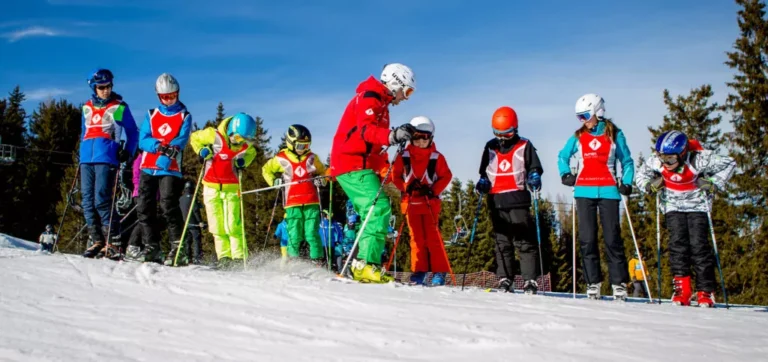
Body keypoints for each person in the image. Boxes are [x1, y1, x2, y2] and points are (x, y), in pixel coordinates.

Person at [329, 63, 418, 283]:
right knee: (377, 208)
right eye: (406, 91)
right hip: (351, 163)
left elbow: (375, 147)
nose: (406, 98)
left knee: (371, 212)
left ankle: (365, 263)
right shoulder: (370, 98)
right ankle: (365, 265)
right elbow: (366, 131)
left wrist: (385, 166)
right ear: (395, 83)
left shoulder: (382, 105)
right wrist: (392, 135)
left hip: (362, 164)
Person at [636, 130, 735, 307]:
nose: (666, 163)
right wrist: (650, 186)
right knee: (677, 246)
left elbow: (730, 163)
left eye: (671, 159)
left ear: (682, 154)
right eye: (663, 158)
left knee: (699, 246)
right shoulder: (656, 161)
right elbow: (640, 175)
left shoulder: (699, 159)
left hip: (697, 206)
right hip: (672, 206)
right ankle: (682, 290)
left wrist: (712, 183)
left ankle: (706, 291)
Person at [557, 93, 634, 300]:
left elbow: (627, 162)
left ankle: (619, 283)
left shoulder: (615, 134)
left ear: (598, 112)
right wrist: (565, 174)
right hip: (584, 191)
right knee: (587, 239)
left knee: (612, 238)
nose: (582, 121)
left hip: (609, 190)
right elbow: (562, 156)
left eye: (585, 116)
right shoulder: (578, 136)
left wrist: (626, 182)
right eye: (579, 117)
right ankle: (593, 282)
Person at [475, 107, 543, 294]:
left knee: (524, 241)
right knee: (501, 242)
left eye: (508, 133)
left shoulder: (524, 145)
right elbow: (484, 172)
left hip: (518, 199)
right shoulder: (490, 146)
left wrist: (534, 176)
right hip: (496, 200)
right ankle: (505, 278)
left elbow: (534, 167)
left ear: (516, 128)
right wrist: (482, 182)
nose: (503, 138)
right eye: (499, 134)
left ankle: (530, 280)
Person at [80, 68, 139, 260]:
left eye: (108, 86)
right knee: (87, 201)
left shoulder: (119, 106)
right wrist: (80, 153)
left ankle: (113, 242)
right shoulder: (86, 107)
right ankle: (96, 240)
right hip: (86, 158)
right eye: (101, 87)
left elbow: (133, 132)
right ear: (94, 88)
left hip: (107, 157)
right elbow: (84, 132)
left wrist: (127, 152)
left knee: (102, 199)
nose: (105, 90)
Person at [137, 73, 192, 265]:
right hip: (148, 167)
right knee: (144, 207)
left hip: (170, 168)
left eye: (172, 96)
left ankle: (178, 246)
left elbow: (181, 140)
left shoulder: (184, 115)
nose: (169, 100)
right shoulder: (151, 115)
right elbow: (142, 139)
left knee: (168, 205)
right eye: (164, 97)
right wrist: (158, 146)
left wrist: (167, 153)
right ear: (158, 96)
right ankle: (152, 246)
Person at [190, 112, 258, 269]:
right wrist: (201, 151)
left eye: (245, 140)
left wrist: (243, 161)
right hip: (211, 187)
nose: (241, 143)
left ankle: (239, 257)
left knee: (233, 224)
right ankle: (224, 257)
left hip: (232, 188)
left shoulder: (245, 146)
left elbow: (251, 153)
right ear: (231, 132)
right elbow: (194, 138)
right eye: (239, 138)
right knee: (216, 225)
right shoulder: (213, 135)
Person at [391, 116, 453, 286]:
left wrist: (433, 190)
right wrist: (405, 187)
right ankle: (419, 271)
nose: (420, 141)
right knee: (416, 239)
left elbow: (446, 176)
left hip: (429, 204)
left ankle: (439, 272)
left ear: (430, 138)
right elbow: (394, 175)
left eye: (424, 137)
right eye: (416, 137)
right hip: (410, 203)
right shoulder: (403, 156)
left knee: (433, 238)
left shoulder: (436, 157)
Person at [262, 125, 327, 266]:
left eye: (306, 145)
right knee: (295, 234)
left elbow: (324, 172)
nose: (303, 148)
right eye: (299, 145)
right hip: (292, 202)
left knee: (312, 233)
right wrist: (274, 181)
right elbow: (266, 170)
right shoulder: (281, 158)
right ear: (290, 142)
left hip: (311, 201)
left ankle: (317, 260)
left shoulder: (312, 158)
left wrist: (322, 179)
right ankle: (293, 260)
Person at [179, 181, 205, 264]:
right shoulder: (193, 198)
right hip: (194, 223)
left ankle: (187, 256)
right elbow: (195, 210)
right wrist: (200, 221)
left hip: (184, 223)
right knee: (196, 240)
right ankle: (197, 258)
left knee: (187, 241)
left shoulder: (181, 198)